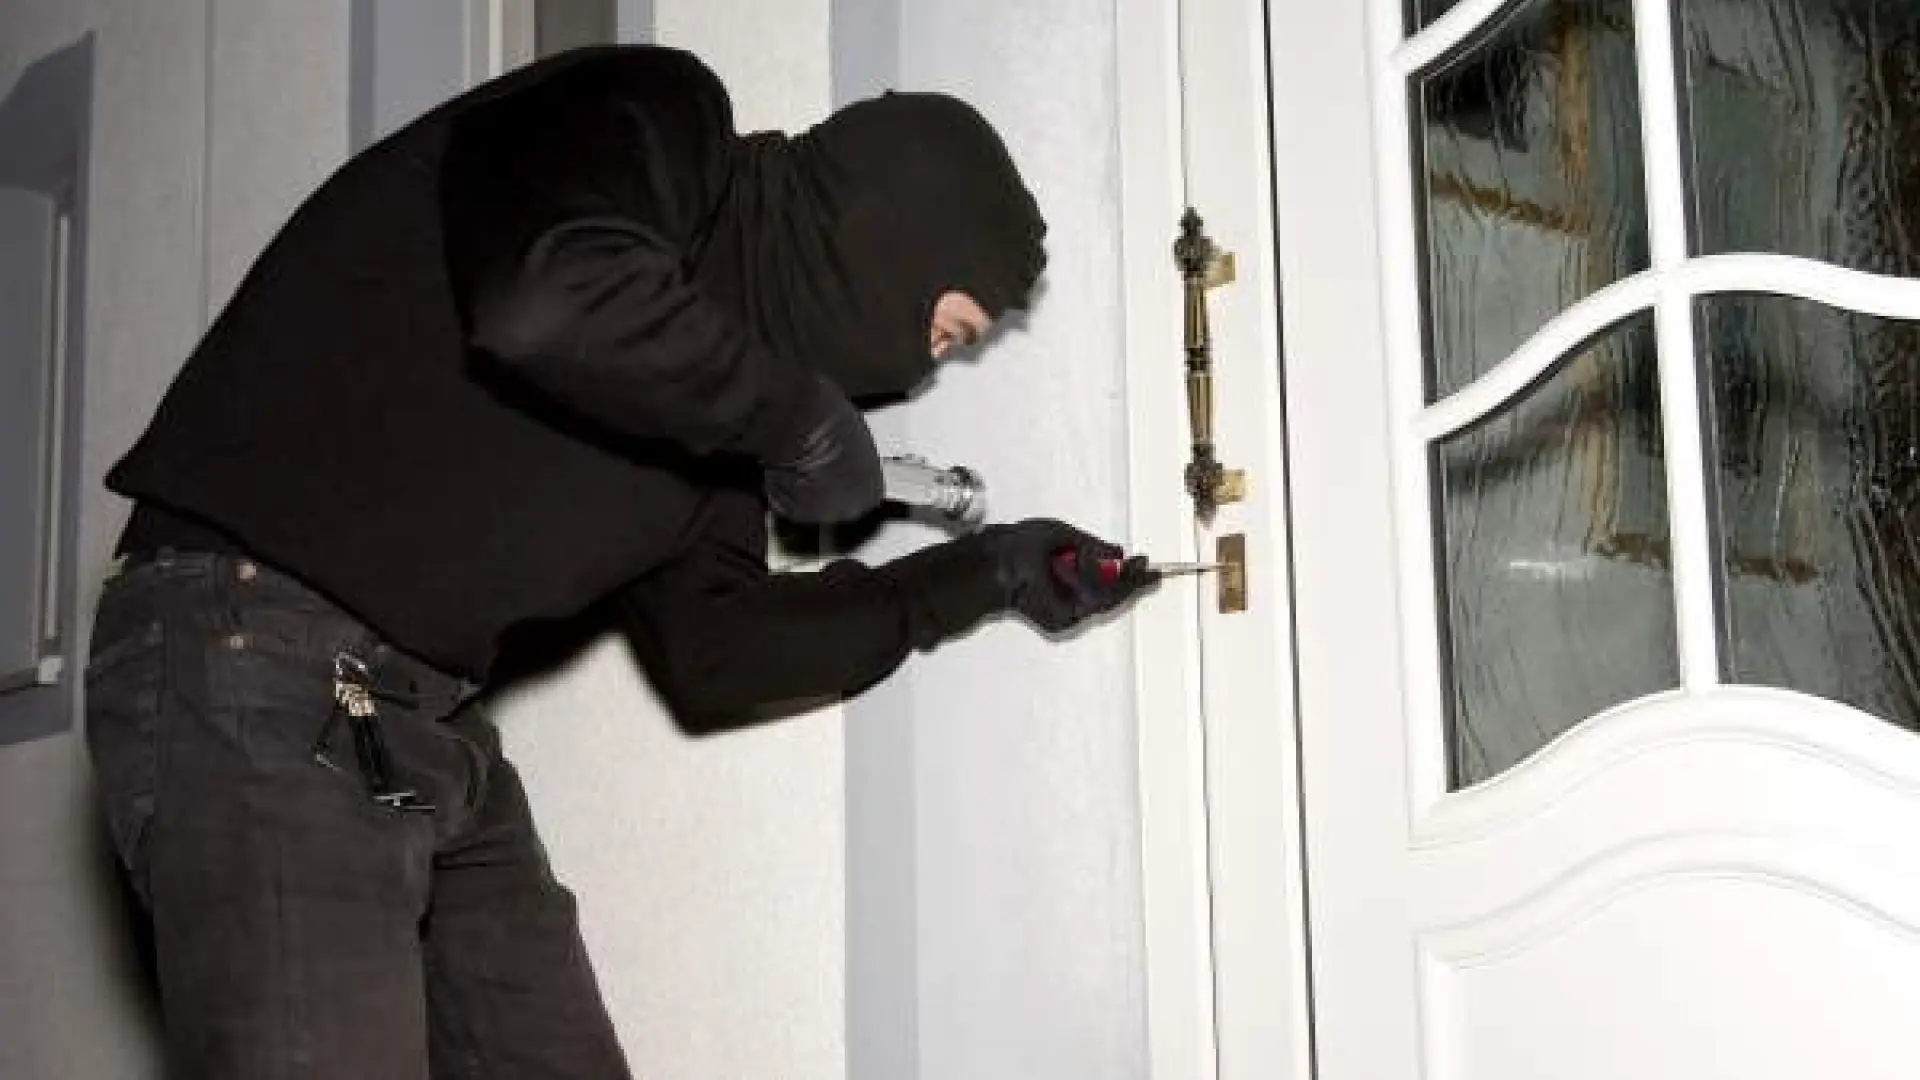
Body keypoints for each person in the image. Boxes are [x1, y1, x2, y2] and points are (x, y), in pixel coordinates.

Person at [83, 43, 1155, 1079]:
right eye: (945, 333)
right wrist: (796, 421)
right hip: (247, 644)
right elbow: (543, 296)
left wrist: (984, 575)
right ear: (887, 239)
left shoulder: (715, 430)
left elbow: (721, 652)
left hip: (415, 719)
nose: (918, 377)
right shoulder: (664, 115)